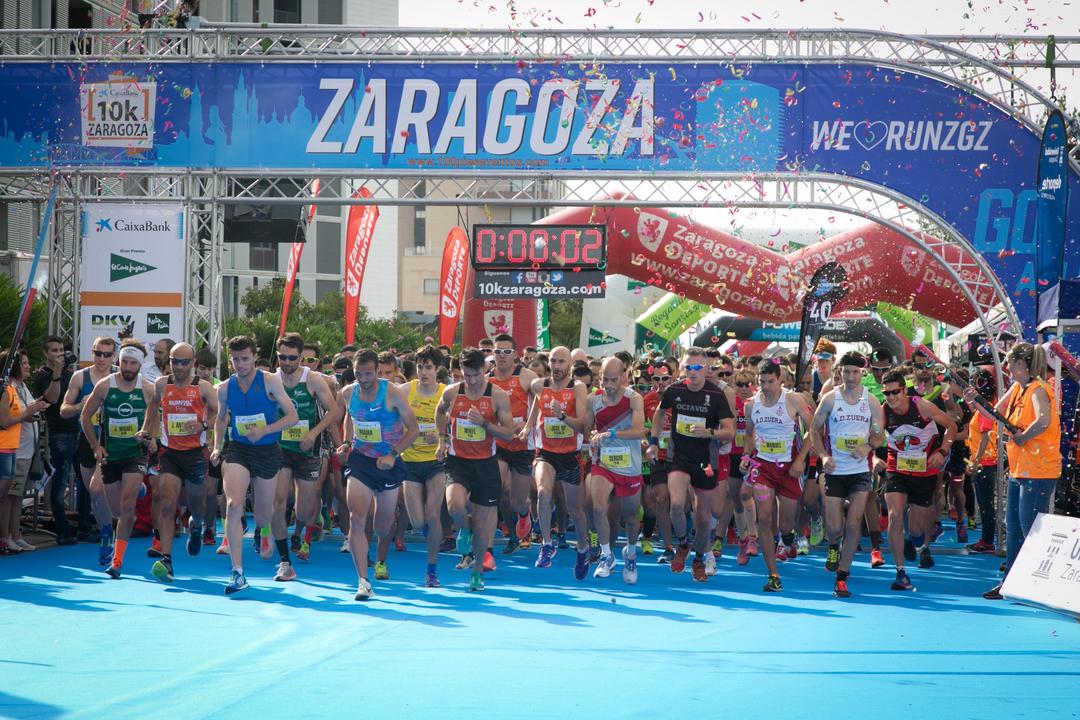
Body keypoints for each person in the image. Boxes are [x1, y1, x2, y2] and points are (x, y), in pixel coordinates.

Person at [211, 336, 299, 595]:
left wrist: (265, 431)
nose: (240, 364)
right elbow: (220, 419)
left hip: (267, 451)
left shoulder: (270, 381)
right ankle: (237, 572)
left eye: (245, 359)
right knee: (233, 504)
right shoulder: (224, 388)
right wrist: (217, 446)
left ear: (254, 357)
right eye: (235, 360)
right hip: (239, 450)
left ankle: (264, 530)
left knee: (262, 515)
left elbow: (292, 416)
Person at [977, 343, 1061, 600]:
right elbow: (993, 413)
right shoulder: (1017, 389)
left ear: (1022, 365)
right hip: (1019, 470)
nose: (1006, 368)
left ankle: (1038, 584)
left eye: (1010, 364)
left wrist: (1023, 437)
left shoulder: (1038, 389)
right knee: (1013, 528)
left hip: (1038, 470)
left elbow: (1043, 421)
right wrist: (974, 399)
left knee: (1030, 529)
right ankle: (1009, 582)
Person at [645, 347, 735, 582]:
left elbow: (730, 431)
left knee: (703, 518)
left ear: (706, 369)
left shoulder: (716, 395)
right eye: (688, 367)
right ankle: (683, 544)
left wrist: (709, 432)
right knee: (676, 505)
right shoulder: (674, 390)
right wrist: (653, 442)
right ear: (682, 369)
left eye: (697, 367)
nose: (692, 372)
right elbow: (659, 413)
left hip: (706, 461)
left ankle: (698, 559)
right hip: (679, 457)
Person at [337, 349, 419, 600]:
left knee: (382, 527)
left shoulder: (392, 393)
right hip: (361, 461)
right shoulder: (348, 393)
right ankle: (363, 582)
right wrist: (347, 443)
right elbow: (350, 418)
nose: (363, 379)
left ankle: (384, 541)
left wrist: (393, 454)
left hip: (388, 463)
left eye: (368, 374)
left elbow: (413, 429)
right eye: (358, 374)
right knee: (357, 519)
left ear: (376, 372)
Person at [436, 348, 516, 592]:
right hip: (458, 462)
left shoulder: (497, 396)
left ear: (485, 370)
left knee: (482, 526)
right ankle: (465, 528)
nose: (471, 380)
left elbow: (509, 433)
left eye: (476, 375)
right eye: (467, 375)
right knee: (455, 506)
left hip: (485, 465)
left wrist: (484, 423)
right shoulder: (452, 392)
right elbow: (440, 411)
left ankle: (477, 572)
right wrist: (442, 439)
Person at [79, 342, 159, 579]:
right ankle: (139, 490)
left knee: (127, 509)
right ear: (119, 361)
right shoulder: (105, 386)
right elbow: (85, 416)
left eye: (133, 363)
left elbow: (155, 415)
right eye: (125, 362)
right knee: (116, 510)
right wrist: (96, 446)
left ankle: (117, 560)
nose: (128, 367)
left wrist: (151, 437)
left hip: (135, 455)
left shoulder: (147, 388)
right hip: (111, 455)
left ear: (140, 365)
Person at [810, 351, 886, 598]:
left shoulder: (871, 401)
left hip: (860, 472)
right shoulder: (830, 399)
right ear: (840, 372)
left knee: (853, 525)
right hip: (835, 470)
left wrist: (869, 446)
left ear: (862, 373)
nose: (851, 377)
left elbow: (879, 435)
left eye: (855, 372)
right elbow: (814, 430)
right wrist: (823, 456)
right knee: (834, 528)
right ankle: (833, 545)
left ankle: (842, 577)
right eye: (847, 372)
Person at [147, 342, 219, 582]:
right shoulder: (161, 384)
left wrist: (203, 425)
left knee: (196, 505)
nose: (178, 366)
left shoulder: (203, 387)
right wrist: (146, 431)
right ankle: (167, 560)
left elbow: (222, 414)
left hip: (196, 454)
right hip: (170, 453)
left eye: (184, 362)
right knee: (167, 504)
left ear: (193, 363)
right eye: (174, 361)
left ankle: (196, 524)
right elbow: (153, 407)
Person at [880, 368, 957, 591]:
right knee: (894, 515)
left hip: (925, 470)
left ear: (904, 391)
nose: (891, 397)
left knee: (916, 529)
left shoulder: (922, 406)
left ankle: (912, 539)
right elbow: (871, 438)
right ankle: (900, 572)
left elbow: (951, 427)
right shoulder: (883, 412)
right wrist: (873, 458)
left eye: (895, 392)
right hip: (897, 468)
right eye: (886, 393)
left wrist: (942, 451)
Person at [741, 359, 814, 592]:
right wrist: (746, 456)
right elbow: (749, 435)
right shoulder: (751, 405)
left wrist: (801, 460)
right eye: (762, 382)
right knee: (764, 518)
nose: (766, 386)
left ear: (780, 379)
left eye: (770, 382)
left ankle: (788, 537)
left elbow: (814, 430)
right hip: (763, 468)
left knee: (785, 525)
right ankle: (773, 574)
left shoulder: (794, 400)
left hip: (790, 468)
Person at [274, 333, 341, 568]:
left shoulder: (312, 379)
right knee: (280, 499)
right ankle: (281, 552)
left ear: (300, 357)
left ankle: (301, 532)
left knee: (304, 508)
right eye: (282, 357)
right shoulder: (272, 379)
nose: (286, 362)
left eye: (292, 358)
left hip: (308, 449)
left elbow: (333, 411)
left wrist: (313, 433)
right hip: (281, 448)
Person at [524, 346, 592, 577]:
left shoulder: (577, 388)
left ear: (570, 365)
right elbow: (537, 403)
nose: (556, 366)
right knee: (543, 493)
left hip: (571, 455)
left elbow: (583, 425)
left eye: (561, 361)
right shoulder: (539, 385)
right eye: (553, 361)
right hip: (546, 452)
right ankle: (546, 544)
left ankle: (582, 548)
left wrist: (562, 416)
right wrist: (528, 427)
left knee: (575, 509)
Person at [59, 336, 121, 565]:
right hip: (86, 439)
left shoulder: (119, 377)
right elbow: (63, 410)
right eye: (97, 353)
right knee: (94, 494)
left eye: (107, 354)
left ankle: (106, 535)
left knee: (97, 488)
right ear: (92, 352)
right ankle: (106, 528)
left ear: (114, 356)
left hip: (112, 440)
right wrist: (81, 406)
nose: (101, 358)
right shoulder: (80, 377)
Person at [585, 357, 646, 584]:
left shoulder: (634, 399)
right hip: (603, 462)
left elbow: (639, 431)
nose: (609, 385)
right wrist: (591, 436)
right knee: (598, 507)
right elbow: (586, 429)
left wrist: (611, 434)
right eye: (604, 379)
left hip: (629, 465)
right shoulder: (593, 400)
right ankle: (606, 555)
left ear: (623, 377)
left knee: (631, 516)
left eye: (613, 380)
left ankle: (630, 553)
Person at [400, 344, 447, 587]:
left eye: (428, 367)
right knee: (418, 522)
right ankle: (433, 535)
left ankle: (432, 569)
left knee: (432, 513)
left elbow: (455, 424)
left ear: (437, 369)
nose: (423, 372)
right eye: (420, 367)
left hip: (436, 462)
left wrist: (440, 438)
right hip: (409, 461)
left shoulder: (446, 393)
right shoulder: (406, 390)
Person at [488, 333, 538, 555]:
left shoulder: (526, 376)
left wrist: (528, 425)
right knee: (498, 490)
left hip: (522, 445)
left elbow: (542, 398)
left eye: (506, 351)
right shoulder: (488, 379)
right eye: (498, 351)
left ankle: (524, 514)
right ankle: (511, 535)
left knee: (517, 501)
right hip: (499, 443)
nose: (502, 356)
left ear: (515, 354)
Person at [0, 350, 49, 552]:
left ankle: (15, 535)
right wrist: (28, 412)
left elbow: (21, 414)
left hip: (22, 450)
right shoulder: (7, 388)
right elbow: (5, 421)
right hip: (12, 449)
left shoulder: (21, 387)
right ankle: (6, 537)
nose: (29, 366)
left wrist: (33, 411)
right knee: (8, 496)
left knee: (17, 496)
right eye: (25, 363)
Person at [33, 336, 81, 544]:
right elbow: (51, 399)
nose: (59, 354)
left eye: (61, 349)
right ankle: (62, 532)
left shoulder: (71, 373)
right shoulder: (42, 376)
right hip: (59, 433)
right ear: (46, 353)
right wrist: (57, 374)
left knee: (84, 481)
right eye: (54, 350)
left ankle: (84, 528)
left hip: (79, 430)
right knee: (60, 483)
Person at [965, 369, 999, 555]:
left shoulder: (985, 409)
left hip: (985, 462)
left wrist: (976, 460)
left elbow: (985, 436)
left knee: (986, 505)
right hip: (984, 461)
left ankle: (987, 540)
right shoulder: (984, 408)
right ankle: (986, 539)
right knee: (985, 503)